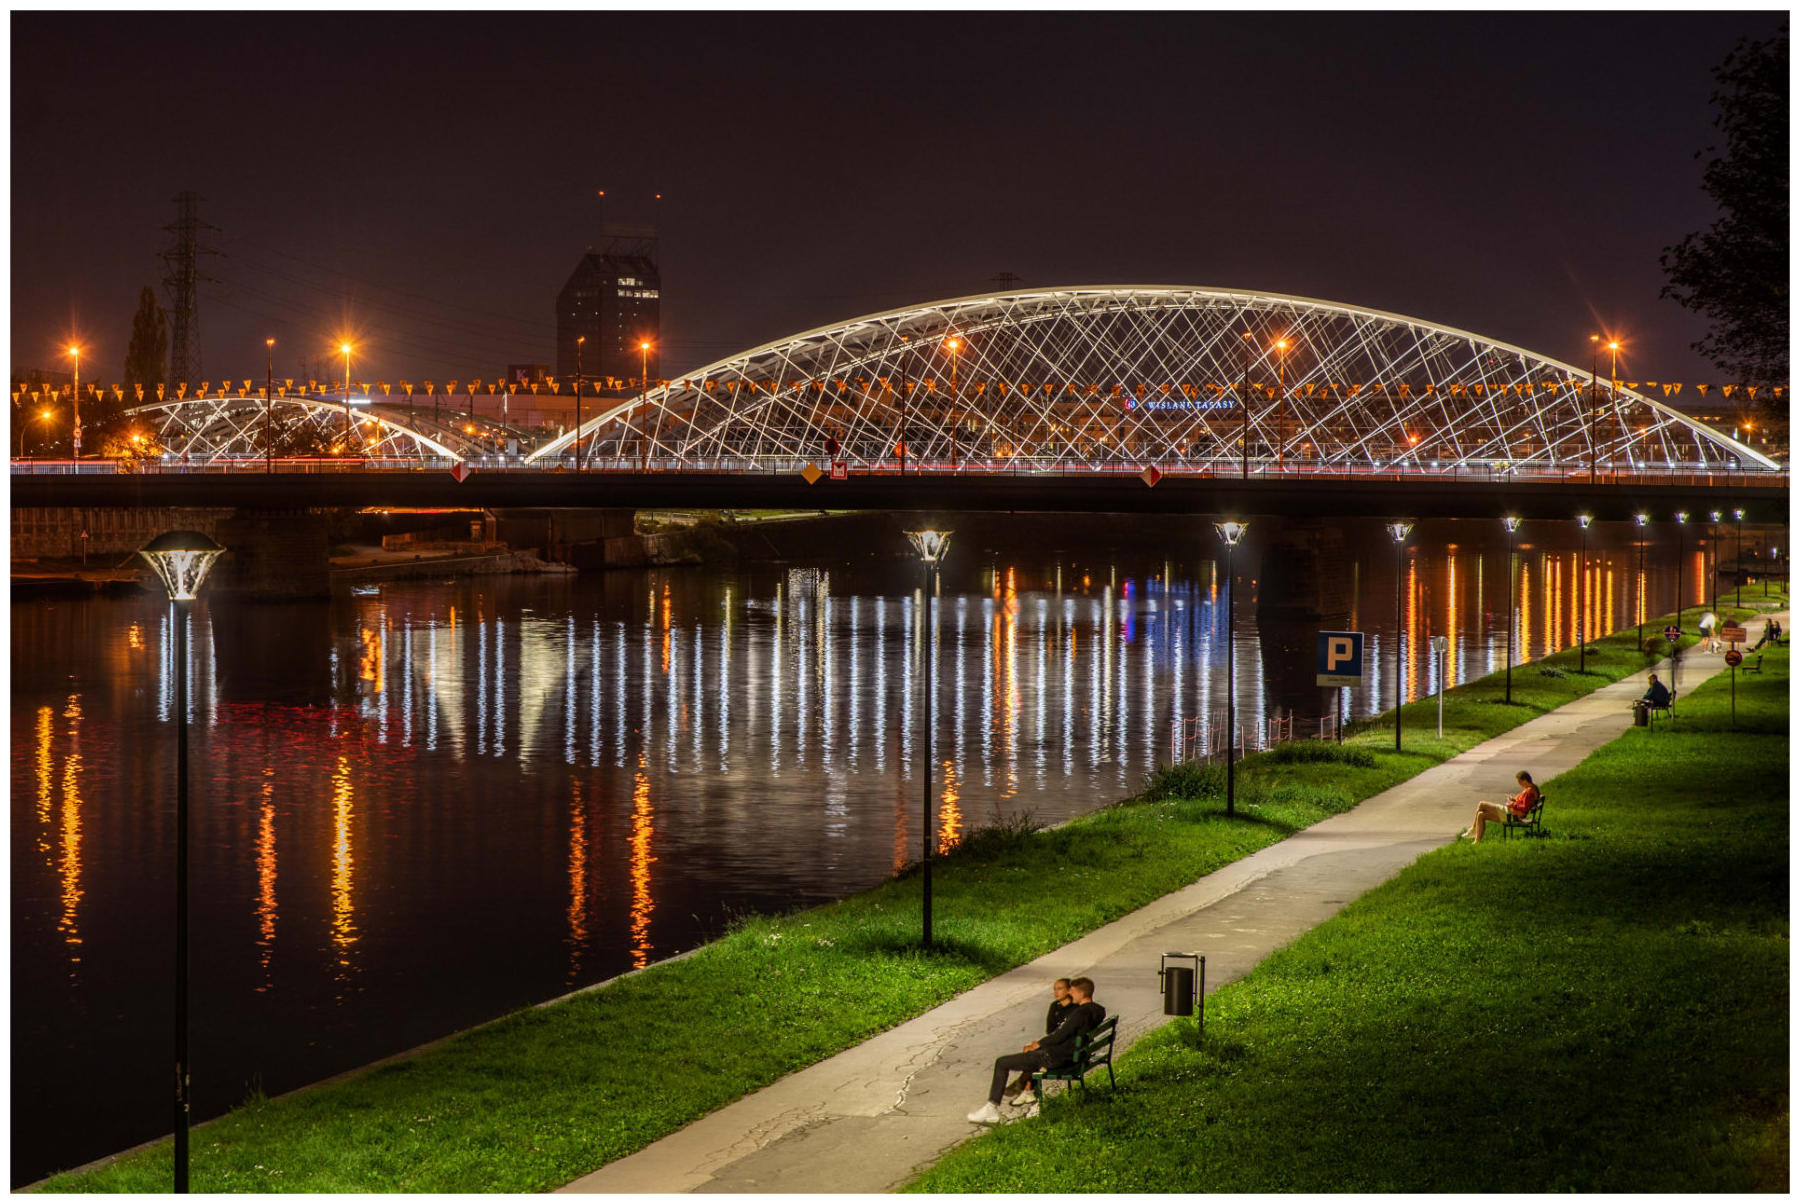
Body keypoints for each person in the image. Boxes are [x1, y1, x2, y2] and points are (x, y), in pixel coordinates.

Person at [968, 977, 1105, 1124]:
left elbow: (1060, 1035)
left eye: (1072, 991)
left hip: (1057, 1058)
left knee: (1002, 1063)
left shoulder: (1080, 1013)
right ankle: (1026, 1090)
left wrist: (1038, 1044)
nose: (1070, 994)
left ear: (1081, 993)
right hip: (1076, 1056)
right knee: (1027, 1056)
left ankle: (992, 1108)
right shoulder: (1098, 1010)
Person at [1001, 979, 1073, 1102]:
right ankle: (1026, 1088)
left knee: (1031, 1052)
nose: (1056, 992)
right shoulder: (1054, 1006)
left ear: (1069, 990)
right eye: (1055, 989)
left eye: (1060, 989)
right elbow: (1050, 1030)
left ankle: (1024, 1085)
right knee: (1028, 1048)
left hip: (1064, 1049)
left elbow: (1065, 1034)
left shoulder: (1075, 1008)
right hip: (1055, 1042)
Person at [1461, 770, 1539, 844]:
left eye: (1520, 782)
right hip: (1512, 813)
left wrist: (1512, 804)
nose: (1519, 784)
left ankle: (1473, 829)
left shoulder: (1529, 791)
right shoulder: (1531, 789)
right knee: (1481, 815)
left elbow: (1524, 807)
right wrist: (1514, 800)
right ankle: (1477, 841)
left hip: (1512, 814)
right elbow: (1523, 803)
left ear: (1524, 780)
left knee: (1482, 804)